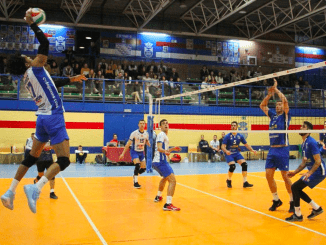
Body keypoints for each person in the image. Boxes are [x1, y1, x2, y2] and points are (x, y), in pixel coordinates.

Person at [0, 10, 87, 213]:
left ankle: (10, 192)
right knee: (64, 161)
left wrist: (72, 79)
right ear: (25, 63)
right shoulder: (36, 68)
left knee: (31, 157)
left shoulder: (28, 78)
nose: (31, 57)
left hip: (41, 118)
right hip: (53, 116)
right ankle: (36, 188)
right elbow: (45, 45)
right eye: (27, 57)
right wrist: (32, 24)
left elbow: (52, 84)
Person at [260, 79, 294, 212]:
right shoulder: (273, 116)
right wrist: (269, 95)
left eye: (280, 105)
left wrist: (276, 89)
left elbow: (285, 101)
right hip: (272, 150)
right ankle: (276, 200)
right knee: (268, 175)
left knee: (285, 177)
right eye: (277, 105)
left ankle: (292, 201)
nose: (278, 106)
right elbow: (262, 106)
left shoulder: (285, 116)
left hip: (283, 149)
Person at [285, 121, 325, 222]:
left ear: (308, 130)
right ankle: (316, 208)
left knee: (295, 187)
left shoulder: (311, 142)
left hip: (319, 171)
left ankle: (298, 215)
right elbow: (303, 163)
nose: (300, 127)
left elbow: (318, 161)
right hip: (314, 171)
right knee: (296, 188)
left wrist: (309, 173)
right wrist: (294, 172)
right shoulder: (304, 143)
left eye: (303, 126)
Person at [152, 119, 181, 211]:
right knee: (173, 180)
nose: (166, 125)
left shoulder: (164, 136)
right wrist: (165, 151)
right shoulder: (161, 135)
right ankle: (168, 204)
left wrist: (173, 149)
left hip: (158, 161)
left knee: (165, 178)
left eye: (166, 123)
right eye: (163, 124)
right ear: (160, 126)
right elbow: (159, 148)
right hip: (161, 161)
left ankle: (158, 196)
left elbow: (164, 150)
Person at [222, 121, 256, 188]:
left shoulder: (240, 136)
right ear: (231, 127)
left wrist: (252, 150)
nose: (233, 126)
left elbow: (246, 144)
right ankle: (228, 180)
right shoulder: (227, 136)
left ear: (237, 126)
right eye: (232, 125)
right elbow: (222, 146)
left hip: (237, 153)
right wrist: (226, 151)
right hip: (229, 154)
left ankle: (245, 182)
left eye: (234, 125)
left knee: (244, 164)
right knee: (232, 166)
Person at [119, 120, 150, 188]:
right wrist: (123, 153)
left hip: (141, 152)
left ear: (145, 125)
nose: (142, 125)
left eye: (143, 123)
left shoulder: (146, 134)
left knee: (144, 168)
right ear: (138, 125)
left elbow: (146, 140)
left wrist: (148, 143)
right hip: (134, 151)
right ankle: (135, 182)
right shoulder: (134, 133)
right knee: (137, 165)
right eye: (140, 123)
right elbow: (128, 144)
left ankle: (135, 175)